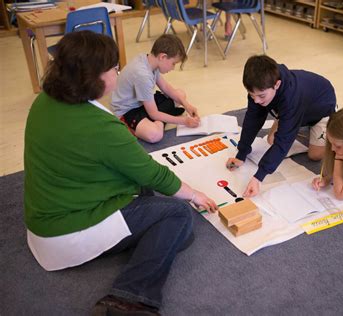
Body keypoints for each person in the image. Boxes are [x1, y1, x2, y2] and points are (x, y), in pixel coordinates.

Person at [24, 31, 218, 315]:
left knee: (154, 203)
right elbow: (153, 174)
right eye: (114, 68)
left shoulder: (45, 101)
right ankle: (128, 299)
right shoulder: (103, 127)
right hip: (65, 233)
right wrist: (194, 194)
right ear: (94, 76)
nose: (118, 73)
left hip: (45, 220)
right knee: (178, 216)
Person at [226, 55, 337, 197]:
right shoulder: (258, 86)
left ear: (277, 85)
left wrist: (258, 177)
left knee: (315, 155)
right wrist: (242, 153)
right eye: (251, 95)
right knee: (272, 141)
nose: (256, 100)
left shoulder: (291, 96)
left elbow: (283, 142)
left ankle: (296, 125)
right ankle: (290, 124)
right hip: (292, 110)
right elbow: (252, 120)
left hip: (321, 111)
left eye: (261, 96)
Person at [111, 34, 200, 144]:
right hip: (128, 111)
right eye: (173, 63)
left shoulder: (150, 60)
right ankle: (160, 119)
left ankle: (161, 117)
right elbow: (153, 114)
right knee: (155, 134)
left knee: (180, 94)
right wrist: (184, 121)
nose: (173, 68)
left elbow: (166, 87)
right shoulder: (142, 75)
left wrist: (187, 105)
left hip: (142, 103)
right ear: (162, 57)